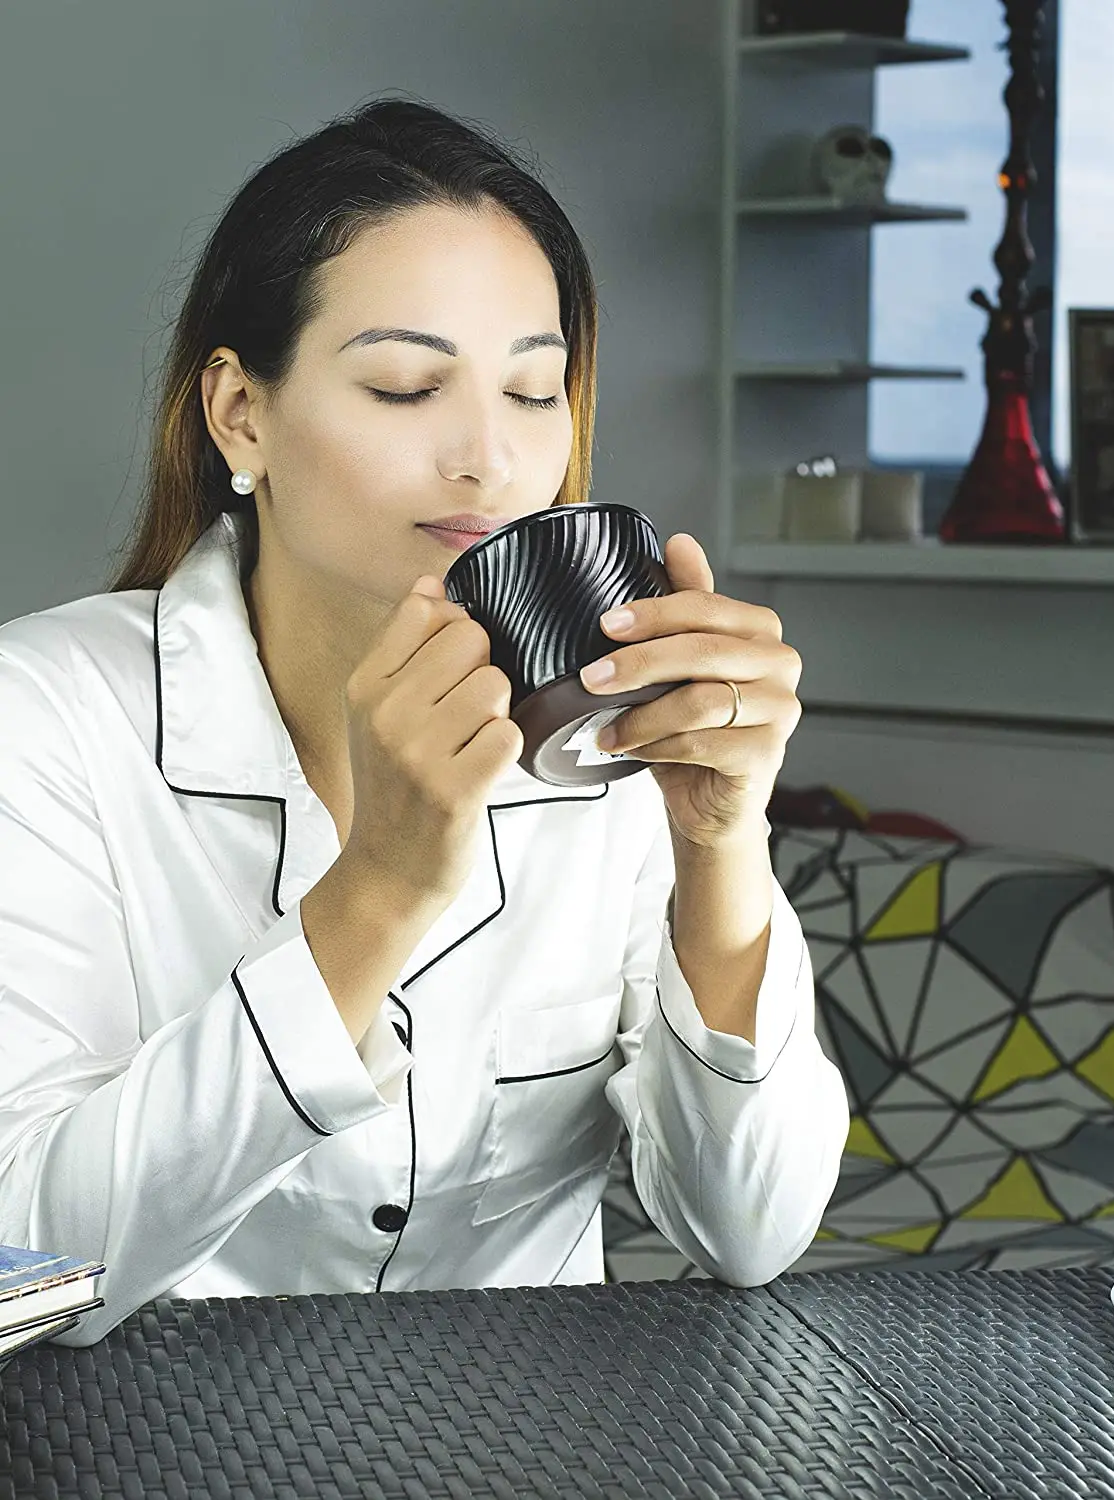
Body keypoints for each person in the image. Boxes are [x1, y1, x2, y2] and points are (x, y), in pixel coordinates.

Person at [0, 98, 849, 1344]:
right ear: (240, 415)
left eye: (532, 389)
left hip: (532, 1446)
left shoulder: (603, 748)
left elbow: (751, 1233)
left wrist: (721, 847)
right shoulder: (48, 715)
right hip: (141, 1443)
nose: (489, 461)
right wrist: (381, 888)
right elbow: (30, 1267)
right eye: (405, 387)